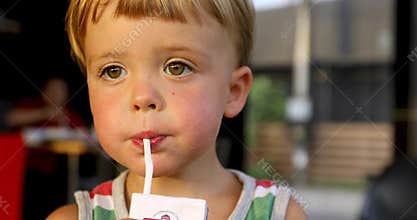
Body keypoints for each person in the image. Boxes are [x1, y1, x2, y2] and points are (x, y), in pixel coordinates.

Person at [48, 0, 307, 219]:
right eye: (113, 71)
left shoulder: (280, 213)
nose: (142, 97)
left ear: (233, 92)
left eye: (177, 67)